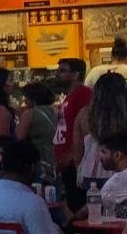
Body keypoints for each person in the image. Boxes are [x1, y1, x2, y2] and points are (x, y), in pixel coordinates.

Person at [76, 71, 127, 191]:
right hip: (120, 169)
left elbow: (77, 150)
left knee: (93, 207)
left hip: (91, 171)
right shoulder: (124, 115)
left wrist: (79, 170)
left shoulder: (84, 114)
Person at [54, 57, 93, 210]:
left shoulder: (83, 94)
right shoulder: (70, 97)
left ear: (76, 75)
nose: (58, 74)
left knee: (77, 204)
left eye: (63, 71)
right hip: (65, 161)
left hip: (75, 161)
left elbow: (86, 127)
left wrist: (72, 153)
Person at [15, 80, 59, 182]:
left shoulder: (29, 114)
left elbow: (19, 136)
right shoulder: (56, 110)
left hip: (38, 157)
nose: (24, 100)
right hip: (55, 155)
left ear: (32, 98)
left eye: (26, 97)